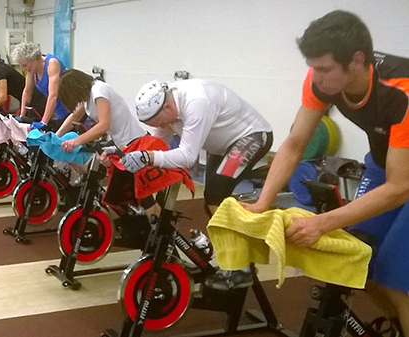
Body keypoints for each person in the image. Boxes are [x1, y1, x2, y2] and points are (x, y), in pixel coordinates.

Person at [242, 10, 408, 335]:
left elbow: (400, 186)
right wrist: (263, 202)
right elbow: (295, 144)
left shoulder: (400, 90)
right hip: (384, 161)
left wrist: (322, 222)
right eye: (312, 68)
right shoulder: (320, 80)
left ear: (356, 61)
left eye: (323, 69)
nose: (315, 78)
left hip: (402, 175)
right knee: (360, 261)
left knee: (396, 278)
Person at [112, 78, 273, 291]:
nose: (159, 126)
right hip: (222, 145)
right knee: (212, 201)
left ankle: (241, 269)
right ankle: (235, 254)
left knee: (216, 194)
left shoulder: (197, 102)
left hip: (252, 136)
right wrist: (122, 154)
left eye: (157, 122)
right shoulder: (168, 109)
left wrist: (147, 157)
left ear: (167, 107)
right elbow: (156, 143)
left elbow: (187, 156)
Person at [55, 69, 148, 150]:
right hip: (120, 142)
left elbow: (104, 125)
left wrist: (75, 142)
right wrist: (56, 137)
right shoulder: (87, 95)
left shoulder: (98, 90)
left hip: (135, 141)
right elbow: (76, 116)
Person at [11, 42, 70, 131]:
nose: (23, 69)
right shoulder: (31, 70)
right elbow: (27, 91)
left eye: (25, 65)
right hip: (58, 110)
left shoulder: (52, 63)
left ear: (33, 58)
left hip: (69, 108)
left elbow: (53, 95)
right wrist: (22, 115)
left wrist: (44, 122)